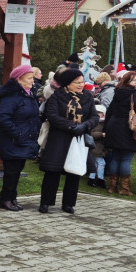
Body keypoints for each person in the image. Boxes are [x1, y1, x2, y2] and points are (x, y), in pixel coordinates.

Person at [38, 68, 99, 213]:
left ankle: (69, 203)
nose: (80, 85)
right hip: (59, 138)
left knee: (74, 172)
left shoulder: (88, 97)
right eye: (76, 82)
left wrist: (85, 125)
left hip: (78, 139)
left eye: (82, 82)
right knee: (52, 171)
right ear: (67, 84)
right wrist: (71, 126)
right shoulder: (56, 97)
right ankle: (46, 202)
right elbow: (52, 116)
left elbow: (94, 117)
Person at [0, 64, 40, 211]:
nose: (32, 81)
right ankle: (5, 199)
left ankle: (12, 197)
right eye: (29, 78)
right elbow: (3, 119)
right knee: (11, 172)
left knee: (17, 171)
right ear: (19, 79)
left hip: (24, 140)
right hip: (13, 141)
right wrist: (18, 134)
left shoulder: (29, 94)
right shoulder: (11, 96)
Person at [103, 71, 136, 196]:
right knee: (126, 159)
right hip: (127, 128)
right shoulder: (134, 94)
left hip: (113, 127)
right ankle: (124, 188)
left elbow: (110, 111)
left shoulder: (117, 92)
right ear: (127, 81)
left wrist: (105, 129)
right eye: (134, 80)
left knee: (116, 157)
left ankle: (112, 186)